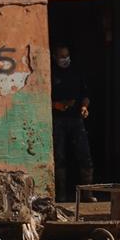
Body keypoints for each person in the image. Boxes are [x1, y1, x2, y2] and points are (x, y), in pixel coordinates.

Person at [50, 44, 94, 202]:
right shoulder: (50, 72)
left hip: (76, 119)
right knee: (59, 156)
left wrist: (84, 107)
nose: (65, 59)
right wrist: (56, 105)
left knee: (84, 155)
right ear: (55, 57)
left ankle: (87, 193)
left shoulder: (77, 72)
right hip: (57, 119)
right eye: (61, 56)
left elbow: (86, 95)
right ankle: (60, 193)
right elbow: (41, 96)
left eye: (67, 56)